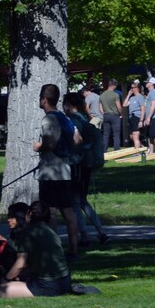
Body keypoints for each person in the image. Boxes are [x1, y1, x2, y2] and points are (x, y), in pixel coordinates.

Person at [33, 83, 81, 258]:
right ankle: (74, 249)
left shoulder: (48, 119)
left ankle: (54, 250)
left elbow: (49, 144)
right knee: (68, 211)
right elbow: (77, 139)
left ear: (44, 100)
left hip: (50, 172)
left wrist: (38, 146)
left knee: (51, 212)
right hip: (66, 171)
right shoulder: (64, 118)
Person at [0, 200, 71, 298]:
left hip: (48, 286)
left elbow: (20, 264)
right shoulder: (47, 229)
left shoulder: (28, 233)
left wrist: (6, 279)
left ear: (29, 214)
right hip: (65, 280)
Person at [62, 92, 109, 247]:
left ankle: (85, 235)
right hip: (88, 165)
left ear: (68, 105)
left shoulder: (73, 122)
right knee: (82, 201)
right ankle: (100, 231)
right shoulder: (85, 119)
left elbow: (74, 144)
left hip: (78, 165)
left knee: (77, 202)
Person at [97, 79, 123, 150]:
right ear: (114, 85)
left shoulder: (102, 95)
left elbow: (100, 108)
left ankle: (104, 150)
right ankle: (117, 150)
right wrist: (121, 114)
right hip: (115, 115)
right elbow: (119, 107)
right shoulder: (115, 95)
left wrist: (104, 113)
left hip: (106, 115)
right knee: (116, 135)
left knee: (105, 134)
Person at [122, 81, 146, 150]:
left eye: (133, 87)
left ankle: (137, 152)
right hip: (131, 117)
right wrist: (128, 95)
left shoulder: (140, 97)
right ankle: (142, 147)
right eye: (131, 88)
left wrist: (141, 120)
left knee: (135, 135)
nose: (131, 89)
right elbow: (124, 104)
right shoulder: (132, 98)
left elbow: (143, 109)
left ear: (137, 88)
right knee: (131, 136)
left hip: (137, 117)